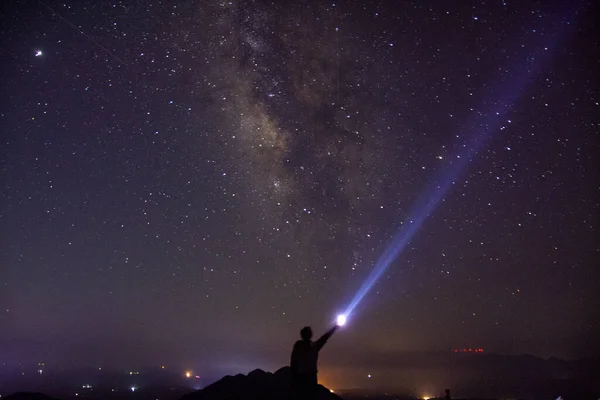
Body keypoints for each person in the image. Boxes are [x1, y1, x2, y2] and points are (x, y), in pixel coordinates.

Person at [290, 324, 338, 394]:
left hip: (303, 376)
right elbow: (324, 338)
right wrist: (334, 328)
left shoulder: (300, 346)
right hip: (307, 376)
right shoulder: (311, 346)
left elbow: (293, 360)